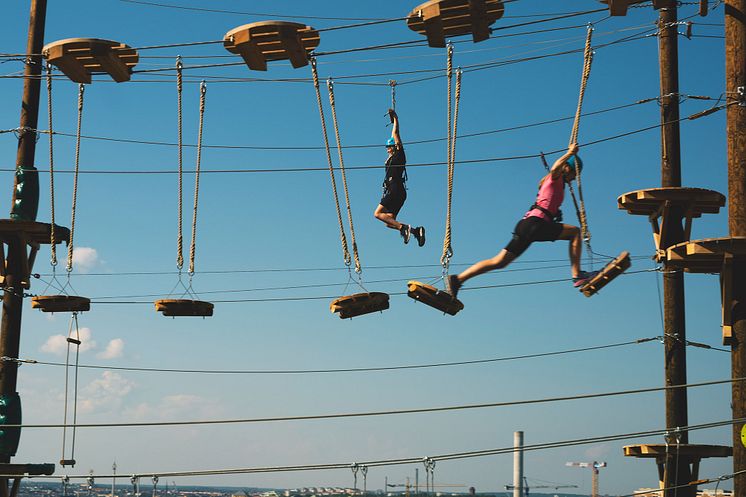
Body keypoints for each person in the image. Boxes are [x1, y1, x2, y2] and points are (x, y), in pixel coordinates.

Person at [446, 143, 597, 299]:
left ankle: (457, 279)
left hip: (526, 226)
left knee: (499, 262)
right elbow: (555, 167)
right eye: (574, 174)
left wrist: (554, 212)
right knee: (574, 232)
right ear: (568, 168)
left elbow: (547, 201)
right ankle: (577, 275)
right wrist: (570, 153)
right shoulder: (555, 177)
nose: (574, 178)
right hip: (535, 225)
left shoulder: (558, 185)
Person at [374, 108, 425, 247]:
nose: (387, 149)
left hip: (395, 189)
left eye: (388, 147)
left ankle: (404, 229)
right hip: (399, 192)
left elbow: (395, 134)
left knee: (378, 214)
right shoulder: (391, 159)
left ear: (394, 147)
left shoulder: (399, 155)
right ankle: (416, 231)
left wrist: (395, 118)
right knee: (389, 222)